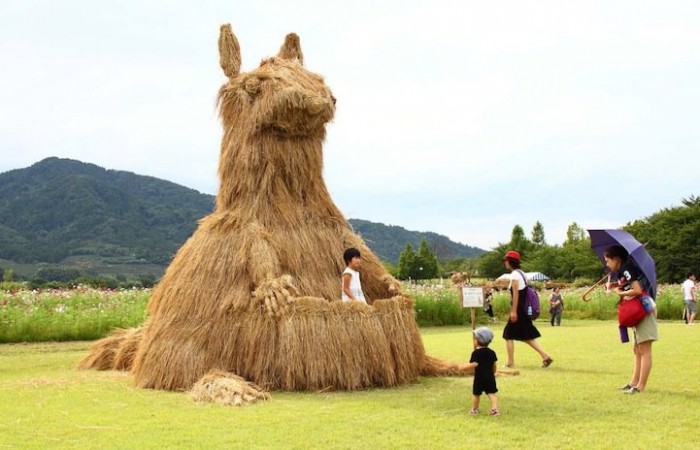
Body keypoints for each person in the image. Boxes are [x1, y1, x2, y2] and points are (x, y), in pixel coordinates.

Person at [604, 245, 658, 394]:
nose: (607, 264)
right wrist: (615, 286)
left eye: (608, 260)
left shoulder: (627, 268)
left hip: (643, 308)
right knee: (637, 349)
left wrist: (619, 293)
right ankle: (634, 382)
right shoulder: (624, 270)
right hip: (638, 310)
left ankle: (640, 386)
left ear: (616, 259)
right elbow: (630, 284)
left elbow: (638, 290)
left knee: (644, 349)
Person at [501, 250, 553, 368]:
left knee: (508, 334)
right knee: (526, 336)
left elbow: (516, 294)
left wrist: (513, 311)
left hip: (518, 309)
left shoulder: (514, 275)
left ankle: (510, 362)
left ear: (510, 261)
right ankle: (545, 356)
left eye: (506, 260)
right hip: (524, 308)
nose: (505, 263)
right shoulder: (521, 273)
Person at [467, 327, 499, 416]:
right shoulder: (492, 352)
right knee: (492, 394)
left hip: (479, 378)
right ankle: (495, 409)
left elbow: (474, 364)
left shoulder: (476, 353)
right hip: (490, 377)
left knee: (476, 394)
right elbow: (494, 365)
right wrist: (494, 372)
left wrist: (462, 367)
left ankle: (474, 409)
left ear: (477, 340)